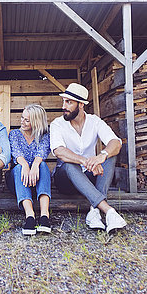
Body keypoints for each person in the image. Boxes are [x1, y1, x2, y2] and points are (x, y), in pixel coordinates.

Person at [50, 83, 127, 233]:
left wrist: (102, 156)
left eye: (69, 102)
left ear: (81, 105)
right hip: (66, 180)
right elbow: (59, 151)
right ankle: (108, 211)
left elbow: (116, 143)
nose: (63, 106)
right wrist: (85, 161)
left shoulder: (94, 121)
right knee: (70, 163)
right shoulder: (57, 124)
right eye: (64, 101)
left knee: (110, 156)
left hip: (90, 176)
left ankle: (94, 211)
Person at [8, 104, 52, 236]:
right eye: (22, 118)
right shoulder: (14, 134)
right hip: (18, 180)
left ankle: (44, 215)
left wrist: (35, 166)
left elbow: (41, 154)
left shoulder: (44, 136)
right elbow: (17, 154)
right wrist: (26, 166)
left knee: (42, 165)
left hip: (37, 179)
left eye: (27, 120)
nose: (22, 121)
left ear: (36, 122)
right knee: (19, 167)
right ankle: (30, 215)